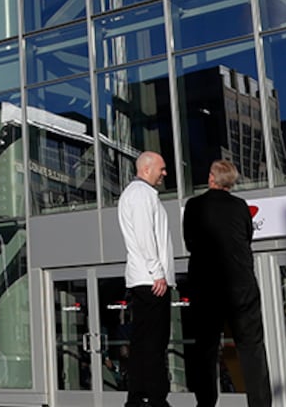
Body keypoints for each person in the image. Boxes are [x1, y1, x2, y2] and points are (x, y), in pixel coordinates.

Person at [180, 160, 270, 407]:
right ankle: (260, 404)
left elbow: (189, 241)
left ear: (211, 178)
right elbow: (247, 237)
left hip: (207, 286)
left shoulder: (195, 205)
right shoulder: (240, 206)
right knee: (252, 348)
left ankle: (206, 402)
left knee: (206, 349)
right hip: (241, 285)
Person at [118, 151, 174, 407]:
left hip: (144, 279)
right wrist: (158, 272)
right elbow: (145, 236)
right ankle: (154, 398)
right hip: (151, 280)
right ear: (147, 169)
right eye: (161, 169)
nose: (164, 173)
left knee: (143, 342)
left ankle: (138, 397)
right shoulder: (140, 195)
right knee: (154, 342)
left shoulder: (137, 194)